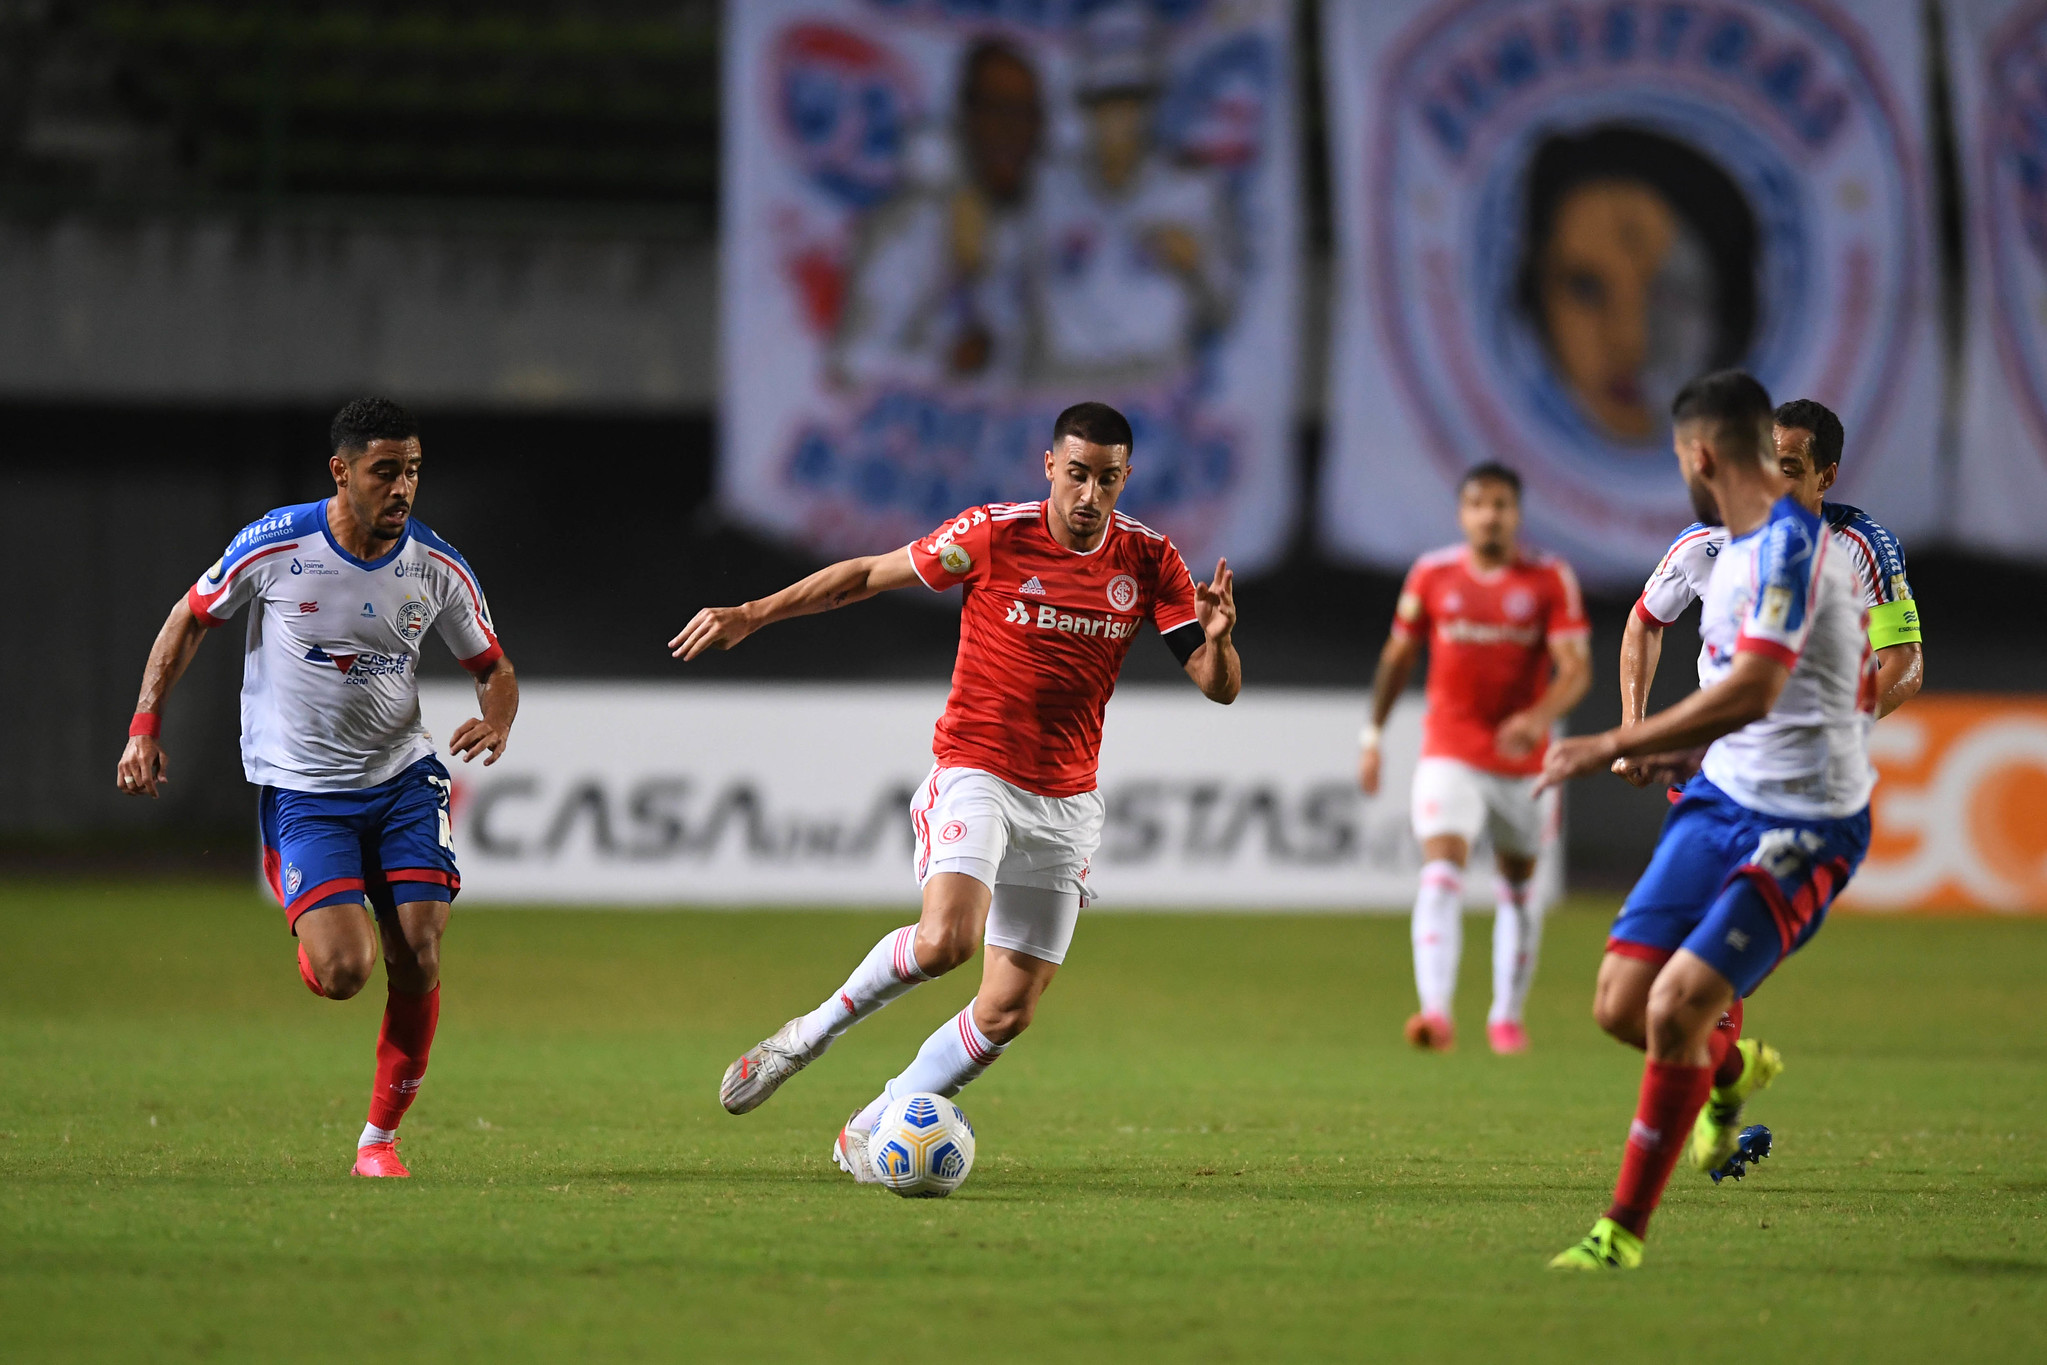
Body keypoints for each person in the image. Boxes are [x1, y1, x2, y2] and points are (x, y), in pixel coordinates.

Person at [673, 401, 1239, 1179]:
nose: (1089, 495)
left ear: (1124, 479)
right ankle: (806, 1035)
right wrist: (752, 612)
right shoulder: (995, 533)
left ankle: (875, 1121)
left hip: (1066, 800)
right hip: (977, 769)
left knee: (1008, 1010)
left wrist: (1218, 644)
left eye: (1106, 480)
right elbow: (866, 574)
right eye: (1076, 474)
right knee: (946, 941)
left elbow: (1216, 687)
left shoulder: (1149, 559)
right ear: (1050, 467)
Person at [114, 398, 518, 1178]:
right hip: (304, 791)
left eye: (413, 472)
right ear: (341, 471)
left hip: (402, 777)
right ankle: (321, 936)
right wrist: (143, 722)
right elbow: (190, 618)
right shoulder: (276, 543)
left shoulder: (435, 566)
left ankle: (378, 1141)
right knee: (344, 973)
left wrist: (496, 720)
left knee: (422, 945)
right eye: (385, 471)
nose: (403, 489)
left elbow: (493, 667)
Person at [1538, 371, 1876, 1269]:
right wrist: (1678, 751)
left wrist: (1614, 736)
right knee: (1620, 1004)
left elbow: (1757, 686)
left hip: (1804, 823)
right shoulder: (1719, 548)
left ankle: (1619, 1233)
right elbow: (1748, 696)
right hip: (1722, 795)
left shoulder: (1794, 552)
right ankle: (1730, 1077)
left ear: (1698, 455)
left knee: (1679, 1004)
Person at [1358, 463, 1590, 1054]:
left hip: (1523, 759)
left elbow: (1577, 667)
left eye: (1502, 504)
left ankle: (1506, 1018)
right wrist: (1372, 735)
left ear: (1517, 513)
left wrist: (1538, 719)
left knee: (1518, 886)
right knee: (1440, 872)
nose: (1490, 514)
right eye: (1480, 504)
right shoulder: (1432, 574)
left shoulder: (1548, 578)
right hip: (1451, 749)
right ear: (1463, 513)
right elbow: (1397, 657)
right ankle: (1435, 1013)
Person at [1617, 398, 1923, 769]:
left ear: (1825, 477)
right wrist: (1633, 731)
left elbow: (1903, 665)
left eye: (1789, 470)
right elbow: (1644, 621)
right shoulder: (1703, 544)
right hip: (1721, 763)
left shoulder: (1862, 546)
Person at [1027, 1, 1238, 387]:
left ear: (1151, 104)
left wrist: (1197, 264)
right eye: (1106, 103)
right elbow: (1011, 288)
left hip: (1155, 383)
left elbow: (1227, 307)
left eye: (1132, 102)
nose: (1120, 118)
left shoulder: (1190, 190)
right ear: (1087, 107)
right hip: (1065, 381)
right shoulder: (1049, 188)